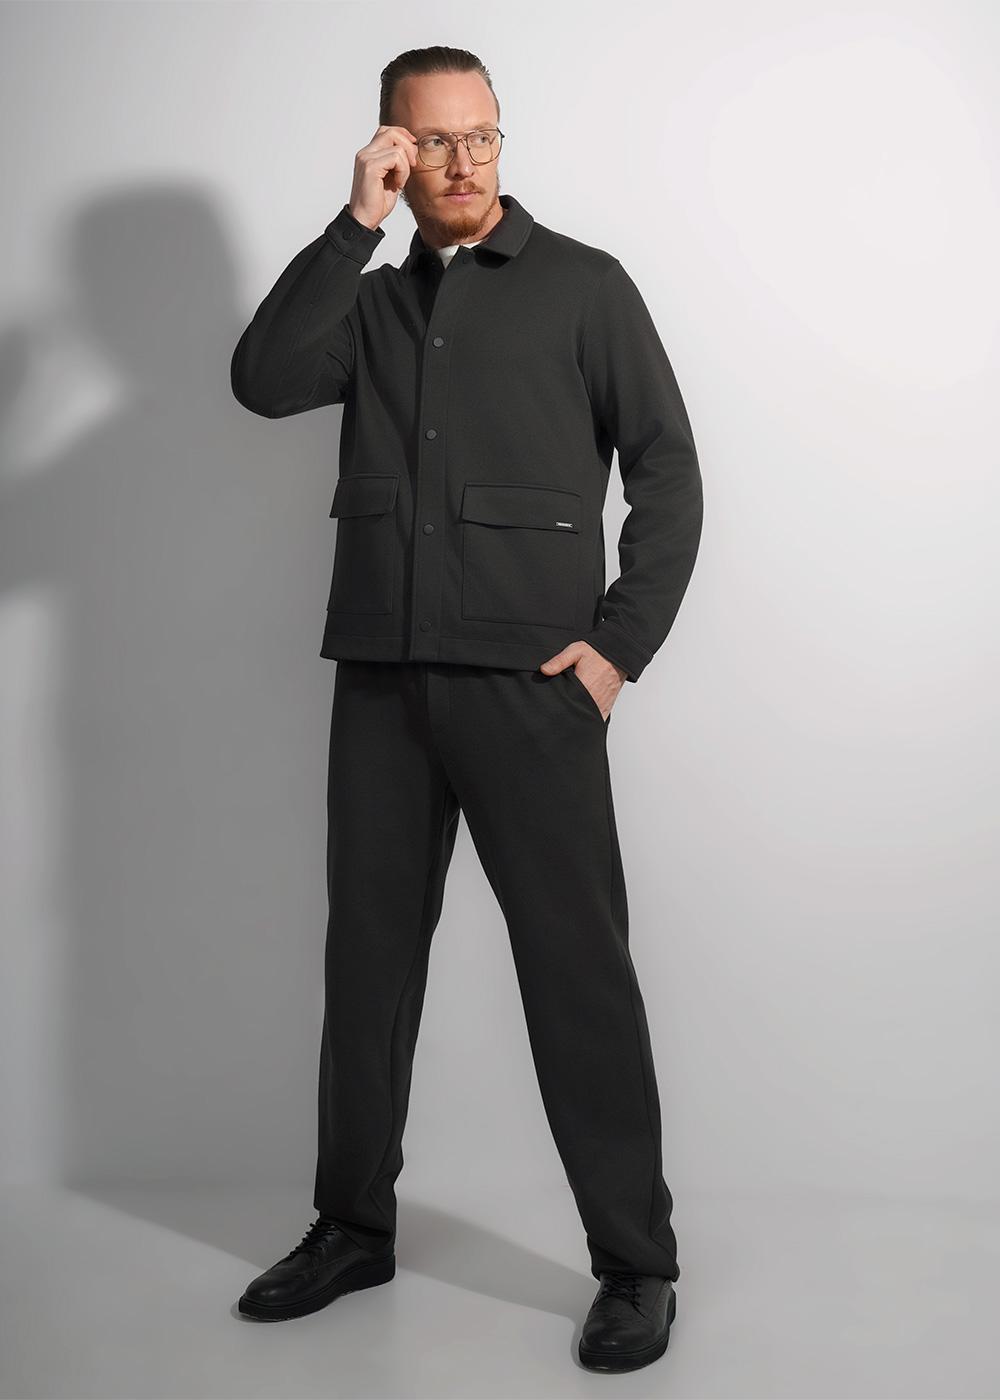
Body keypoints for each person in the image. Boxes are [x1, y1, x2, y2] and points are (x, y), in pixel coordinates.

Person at [229, 45, 703, 1375]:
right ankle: (351, 1227)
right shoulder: (368, 301)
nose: (461, 162)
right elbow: (262, 379)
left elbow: (668, 471)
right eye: (429, 141)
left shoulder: (586, 287)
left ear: (503, 138)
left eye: (480, 136)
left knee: (576, 970)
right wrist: (351, 226)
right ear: (389, 149)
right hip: (383, 678)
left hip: (533, 686)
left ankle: (638, 1265)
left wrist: (617, 649)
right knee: (368, 966)